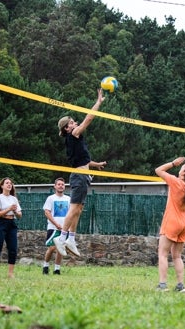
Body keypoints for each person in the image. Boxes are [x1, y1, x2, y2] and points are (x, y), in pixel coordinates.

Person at [54, 88, 107, 257]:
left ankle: (71, 238)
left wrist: (96, 164)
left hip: (83, 175)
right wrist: (98, 102)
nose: (74, 122)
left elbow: (83, 160)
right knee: (74, 207)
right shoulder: (74, 134)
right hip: (79, 176)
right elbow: (88, 119)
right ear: (67, 128)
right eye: (71, 122)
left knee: (79, 208)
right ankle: (61, 238)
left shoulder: (74, 140)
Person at [155, 157, 185, 292]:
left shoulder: (176, 183)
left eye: (183, 167)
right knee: (177, 256)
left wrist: (173, 163)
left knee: (162, 254)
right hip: (184, 224)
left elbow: (158, 170)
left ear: (183, 173)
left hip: (172, 222)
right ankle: (180, 286)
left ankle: (162, 285)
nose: (181, 167)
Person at [42, 177, 70, 275]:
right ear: (55, 186)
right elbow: (47, 212)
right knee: (52, 248)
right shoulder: (51, 198)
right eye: (59, 184)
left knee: (60, 249)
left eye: (62, 184)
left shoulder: (68, 199)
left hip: (64, 229)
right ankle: (45, 266)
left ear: (64, 187)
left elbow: (71, 214)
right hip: (53, 228)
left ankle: (57, 269)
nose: (61, 186)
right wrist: (56, 224)